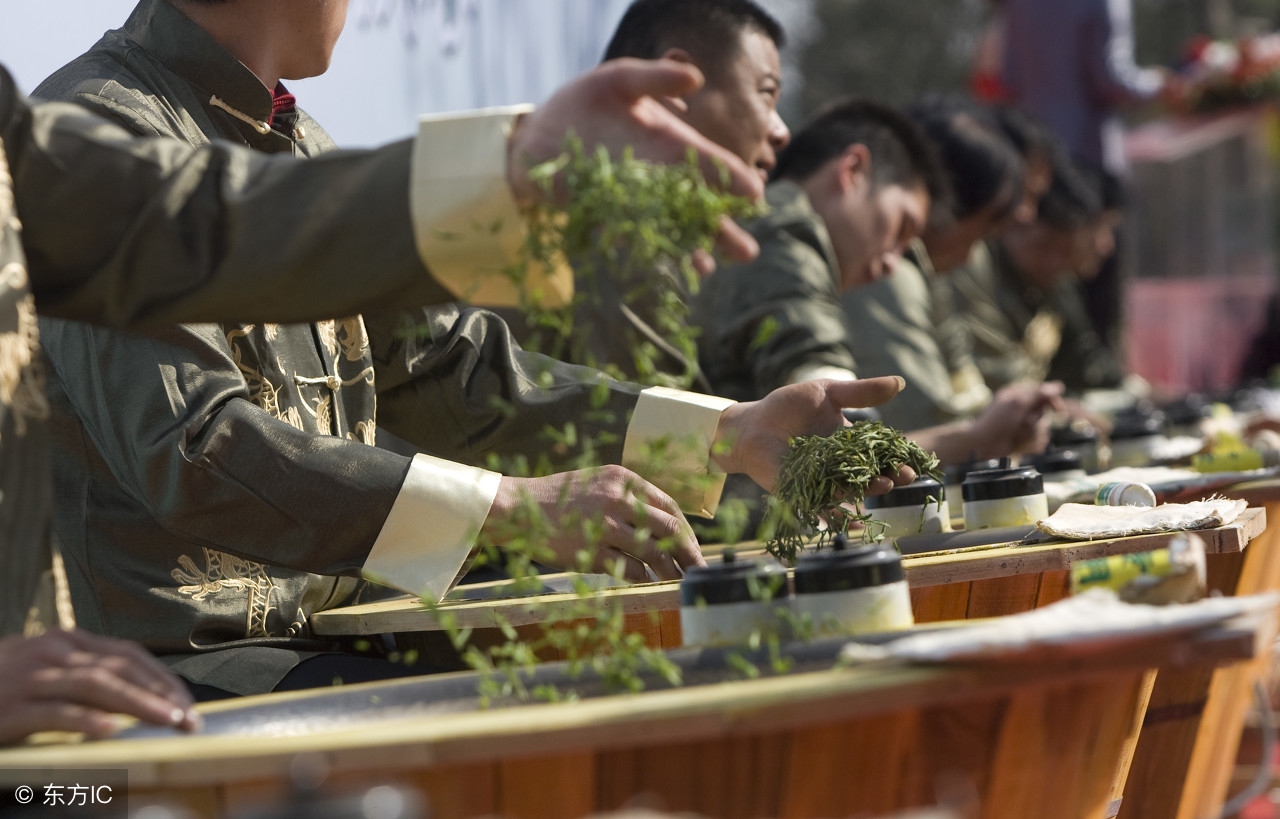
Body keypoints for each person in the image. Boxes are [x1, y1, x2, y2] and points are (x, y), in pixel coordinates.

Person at [31, 0, 910, 700]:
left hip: (320, 639)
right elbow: (196, 448)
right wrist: (515, 510)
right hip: (165, 669)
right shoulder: (94, 125)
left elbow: (455, 370)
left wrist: (727, 434)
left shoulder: (288, 137)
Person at [492, 0, 792, 389]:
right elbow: (657, 430)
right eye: (767, 94)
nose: (781, 131)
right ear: (680, 82)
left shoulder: (622, 216)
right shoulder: (612, 223)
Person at [840, 100, 1064, 460]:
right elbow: (918, 418)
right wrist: (981, 435)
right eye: (976, 235)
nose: (970, 255)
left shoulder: (928, 267)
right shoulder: (889, 275)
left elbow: (963, 383)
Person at [1002, 0, 1171, 349]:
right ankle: (1097, 366)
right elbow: (1111, 78)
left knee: (1046, 277)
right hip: (1091, 161)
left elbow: (1011, 74)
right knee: (1095, 282)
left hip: (1039, 156)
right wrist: (1165, 83)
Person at [949, 153, 1124, 392]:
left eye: (1065, 253)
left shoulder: (1052, 287)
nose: (1055, 264)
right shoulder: (973, 264)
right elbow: (996, 371)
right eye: (1044, 246)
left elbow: (1084, 363)